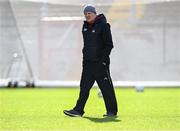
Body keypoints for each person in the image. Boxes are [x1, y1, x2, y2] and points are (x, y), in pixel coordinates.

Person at [63, 4, 118, 117]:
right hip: (88, 64)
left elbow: (109, 45)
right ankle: (78, 110)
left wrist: (103, 61)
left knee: (106, 88)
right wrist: (84, 61)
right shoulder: (85, 27)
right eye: (85, 14)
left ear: (94, 13)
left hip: (100, 64)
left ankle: (112, 111)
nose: (87, 15)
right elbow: (86, 46)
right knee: (84, 88)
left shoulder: (103, 26)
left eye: (89, 13)